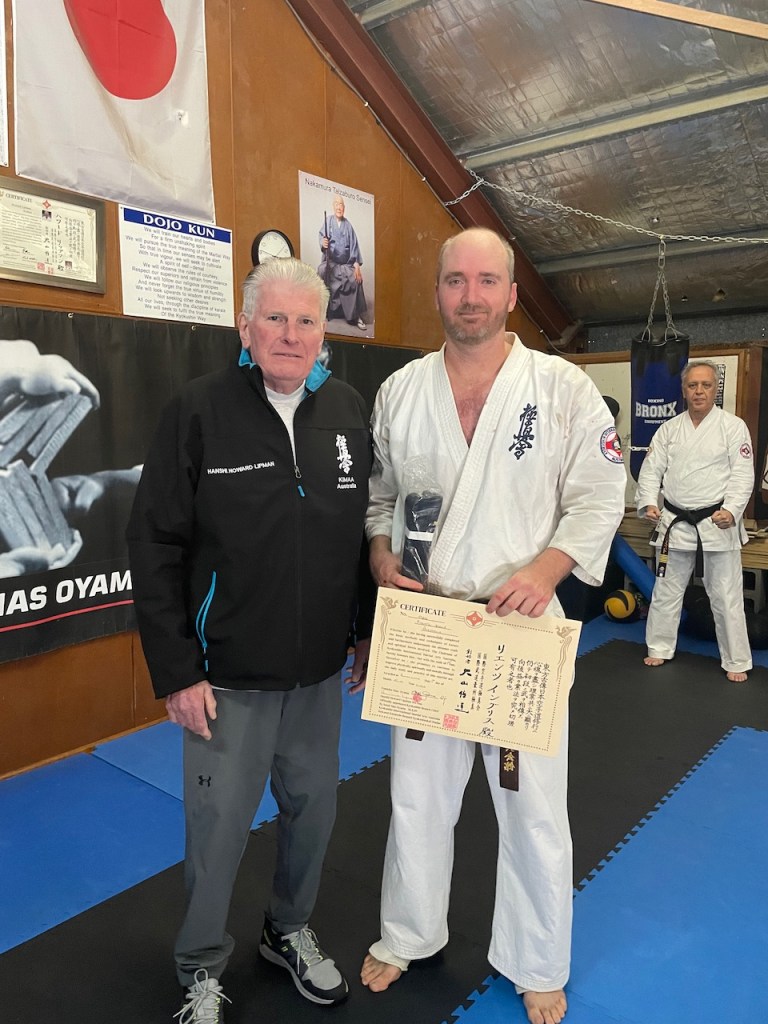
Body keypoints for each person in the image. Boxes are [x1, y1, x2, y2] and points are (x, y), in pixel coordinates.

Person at [359, 227, 626, 1024]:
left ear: (512, 294)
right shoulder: (401, 390)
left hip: (520, 626)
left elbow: (600, 496)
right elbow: (379, 497)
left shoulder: (561, 388)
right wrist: (379, 553)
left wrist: (547, 571)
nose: (469, 296)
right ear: (438, 291)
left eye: (485, 281)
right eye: (455, 280)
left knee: (532, 805)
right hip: (429, 621)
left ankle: (536, 959)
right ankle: (408, 933)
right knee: (415, 796)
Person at [126, 258, 373, 1022]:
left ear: (324, 333)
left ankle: (287, 930)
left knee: (314, 817)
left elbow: (362, 534)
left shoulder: (347, 410)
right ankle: (201, 965)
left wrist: (365, 633)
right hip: (226, 680)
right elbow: (154, 542)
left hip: (317, 678)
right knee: (218, 832)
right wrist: (176, 670)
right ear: (245, 327)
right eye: (275, 318)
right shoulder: (199, 410)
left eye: (306, 321)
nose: (290, 335)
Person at [636, 359, 754, 683]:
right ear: (684, 390)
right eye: (692, 385)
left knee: (726, 594)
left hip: (717, 522)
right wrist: (648, 502)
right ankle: (659, 647)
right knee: (666, 590)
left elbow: (743, 474)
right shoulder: (669, 429)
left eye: (705, 385)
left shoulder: (733, 427)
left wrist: (732, 510)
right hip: (675, 521)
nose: (699, 391)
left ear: (715, 389)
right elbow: (651, 470)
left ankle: (736, 659)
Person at [318, 194, 368, 331]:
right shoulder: (328, 221)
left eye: (341, 205)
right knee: (321, 271)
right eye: (337, 204)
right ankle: (322, 311)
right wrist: (323, 243)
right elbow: (322, 238)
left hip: (346, 265)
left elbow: (354, 247)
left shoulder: (348, 226)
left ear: (344, 208)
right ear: (333, 206)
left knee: (356, 279)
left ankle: (355, 316)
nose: (339, 207)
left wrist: (356, 266)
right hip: (332, 263)